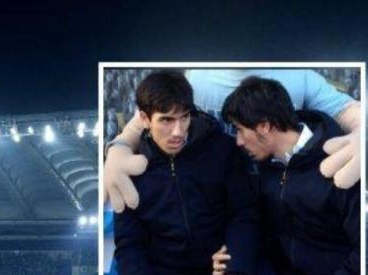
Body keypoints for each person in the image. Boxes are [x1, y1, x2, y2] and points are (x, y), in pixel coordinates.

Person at [104, 68, 361, 214]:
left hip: (278, 192)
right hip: (220, 196)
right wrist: (120, 146)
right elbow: (151, 116)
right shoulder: (197, 78)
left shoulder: (299, 75)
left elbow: (347, 109)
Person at [112, 70, 257, 275]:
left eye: (184, 117)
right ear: (144, 119)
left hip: (221, 274)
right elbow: (130, 245)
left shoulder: (222, 149)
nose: (178, 131)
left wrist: (236, 265)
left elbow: (245, 213)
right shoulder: (127, 169)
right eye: (166, 120)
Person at [217, 76, 359, 275]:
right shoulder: (268, 166)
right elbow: (255, 220)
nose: (237, 141)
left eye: (240, 129)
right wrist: (236, 263)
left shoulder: (344, 164)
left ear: (264, 126)